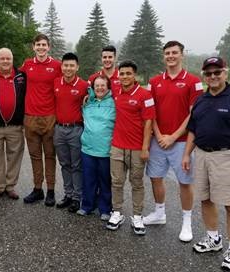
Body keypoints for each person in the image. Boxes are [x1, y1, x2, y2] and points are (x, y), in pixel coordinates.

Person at [182, 57, 230, 271]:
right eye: (209, 73)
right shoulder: (201, 100)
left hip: (229, 156)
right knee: (205, 199)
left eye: (217, 72)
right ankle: (213, 239)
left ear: (226, 73)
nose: (213, 76)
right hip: (202, 155)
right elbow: (193, 130)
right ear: (204, 76)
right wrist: (187, 155)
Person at [144, 41, 203, 242]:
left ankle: (187, 221)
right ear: (164, 56)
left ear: (182, 55)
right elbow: (150, 112)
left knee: (184, 181)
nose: (171, 56)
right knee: (155, 177)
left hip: (181, 141)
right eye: (167, 53)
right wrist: (159, 135)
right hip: (158, 139)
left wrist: (174, 136)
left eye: (174, 53)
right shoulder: (154, 81)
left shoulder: (193, 81)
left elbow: (194, 113)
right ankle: (159, 213)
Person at [106, 61, 155, 235]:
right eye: (122, 74)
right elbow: (98, 93)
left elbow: (149, 122)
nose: (125, 77)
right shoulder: (116, 93)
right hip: (117, 145)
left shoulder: (145, 95)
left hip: (136, 147)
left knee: (136, 183)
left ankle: (137, 216)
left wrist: (145, 147)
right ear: (118, 75)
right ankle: (117, 212)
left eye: (128, 73)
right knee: (117, 181)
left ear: (135, 75)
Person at [20, 34, 62, 206]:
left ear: (49, 47)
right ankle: (38, 189)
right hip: (30, 117)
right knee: (35, 156)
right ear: (33, 47)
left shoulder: (57, 66)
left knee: (50, 156)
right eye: (38, 45)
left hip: (50, 117)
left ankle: (51, 190)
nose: (41, 48)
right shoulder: (27, 65)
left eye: (44, 45)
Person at [0, 48, 26, 201]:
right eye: (2, 58)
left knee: (14, 156)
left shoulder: (22, 76)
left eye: (8, 58)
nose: (5, 61)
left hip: (15, 125)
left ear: (12, 59)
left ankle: (10, 186)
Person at [53, 52, 88, 213]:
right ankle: (67, 194)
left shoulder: (83, 85)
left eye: (71, 65)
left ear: (77, 67)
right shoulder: (55, 83)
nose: (68, 68)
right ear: (62, 66)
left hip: (76, 129)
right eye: (65, 65)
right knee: (64, 164)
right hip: (59, 129)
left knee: (76, 165)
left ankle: (76, 197)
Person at [77, 75, 114, 221]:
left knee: (104, 180)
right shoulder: (87, 103)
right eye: (96, 86)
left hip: (105, 149)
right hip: (88, 148)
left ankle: (105, 208)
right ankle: (87, 206)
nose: (99, 88)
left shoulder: (113, 103)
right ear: (93, 88)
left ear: (108, 87)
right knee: (88, 179)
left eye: (102, 85)